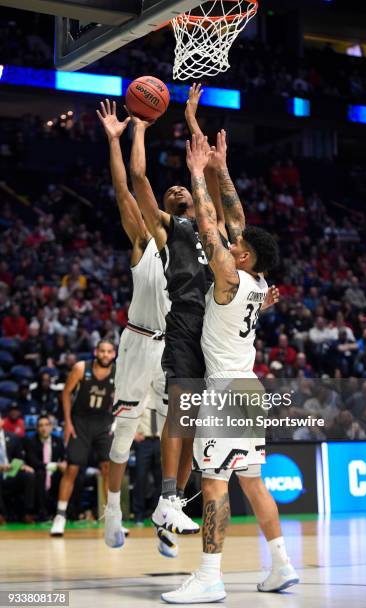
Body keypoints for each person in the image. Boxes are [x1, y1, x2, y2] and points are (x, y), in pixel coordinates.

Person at [162, 133, 298, 603]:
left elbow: (207, 223)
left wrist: (199, 172)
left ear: (242, 257)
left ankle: (209, 576)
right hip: (251, 391)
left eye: (236, 246)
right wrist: (222, 170)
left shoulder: (230, 277)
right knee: (253, 481)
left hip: (222, 393)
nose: (232, 242)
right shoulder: (259, 284)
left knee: (214, 482)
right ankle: (281, 563)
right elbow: (234, 218)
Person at [129, 84, 227, 535]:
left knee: (199, 423)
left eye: (181, 188)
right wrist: (139, 130)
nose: (175, 189)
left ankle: (177, 503)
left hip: (220, 330)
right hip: (186, 321)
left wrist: (191, 120)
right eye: (172, 192)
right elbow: (139, 181)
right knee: (182, 408)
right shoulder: (169, 230)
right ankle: (167, 496)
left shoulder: (214, 225)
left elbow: (207, 173)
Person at [95, 100, 174, 556]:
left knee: (173, 434)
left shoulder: (192, 251)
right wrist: (118, 138)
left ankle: (167, 514)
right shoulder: (144, 244)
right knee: (124, 433)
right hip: (138, 342)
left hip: (173, 350)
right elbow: (125, 187)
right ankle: (112, 512)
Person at [50, 340, 116, 536]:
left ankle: (112, 519)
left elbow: (123, 398)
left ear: (113, 354)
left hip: (103, 422)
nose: (105, 355)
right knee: (71, 469)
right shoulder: (81, 368)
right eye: (102, 351)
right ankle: (60, 516)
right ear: (96, 352)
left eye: (109, 352)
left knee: (108, 469)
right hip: (80, 422)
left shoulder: (118, 372)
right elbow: (66, 393)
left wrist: (117, 422)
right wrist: (68, 423)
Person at [25, 415, 66, 520]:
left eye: (46, 425)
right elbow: (33, 462)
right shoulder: (31, 441)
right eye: (40, 425)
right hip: (40, 471)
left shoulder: (58, 440)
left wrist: (64, 464)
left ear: (51, 427)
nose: (44, 428)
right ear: (37, 428)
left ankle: (65, 512)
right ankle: (42, 512)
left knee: (67, 475)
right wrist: (54, 465)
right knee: (40, 474)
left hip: (55, 472)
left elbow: (64, 457)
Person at [0, 412, 35, 525]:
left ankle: (27, 513)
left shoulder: (13, 437)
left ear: (2, 421)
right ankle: (1, 514)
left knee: (29, 475)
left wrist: (21, 465)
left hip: (11, 472)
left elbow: (19, 458)